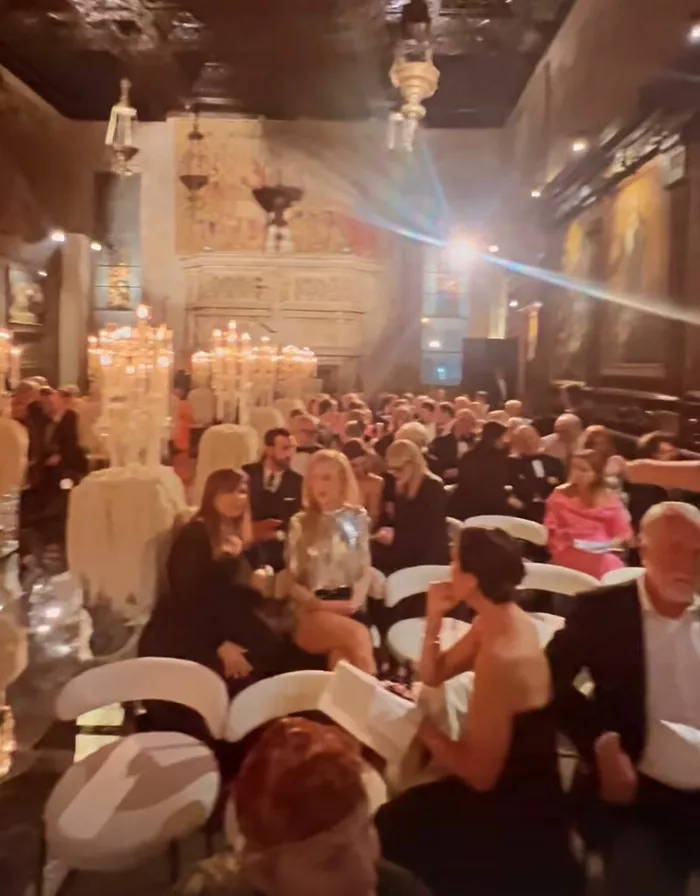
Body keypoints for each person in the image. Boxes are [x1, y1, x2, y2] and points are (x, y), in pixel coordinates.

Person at [376, 528, 580, 896]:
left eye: (455, 562)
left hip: (514, 805)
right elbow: (434, 674)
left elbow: (480, 776)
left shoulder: (502, 656)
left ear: (471, 579)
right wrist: (434, 618)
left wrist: (421, 725)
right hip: (502, 775)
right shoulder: (496, 617)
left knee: (392, 824)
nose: (449, 569)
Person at [547, 502, 700, 896]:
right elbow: (549, 681)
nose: (688, 563)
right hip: (645, 800)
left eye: (698, 552)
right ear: (643, 550)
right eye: (674, 549)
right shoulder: (602, 611)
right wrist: (599, 742)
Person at [178, 717, 432, 896]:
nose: (368, 875)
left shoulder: (400, 889)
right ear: (264, 876)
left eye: (366, 830)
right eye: (331, 861)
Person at [139, 468, 293, 698]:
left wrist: (263, 575)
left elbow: (257, 569)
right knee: (241, 675)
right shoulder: (195, 535)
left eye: (242, 492)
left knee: (278, 653)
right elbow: (187, 597)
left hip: (230, 618)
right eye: (228, 491)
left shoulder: (239, 533)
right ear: (212, 494)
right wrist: (220, 645)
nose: (236, 498)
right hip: (192, 628)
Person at [286, 450, 376, 674]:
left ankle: (356, 695)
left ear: (342, 481)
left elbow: (364, 568)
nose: (320, 485)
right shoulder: (300, 522)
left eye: (327, 478)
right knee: (358, 635)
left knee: (342, 662)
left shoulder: (356, 518)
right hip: (312, 609)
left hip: (349, 604)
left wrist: (354, 603)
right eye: (315, 478)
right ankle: (380, 692)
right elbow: (292, 583)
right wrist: (324, 606)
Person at [544, 449, 632, 579]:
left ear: (596, 474)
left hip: (602, 551)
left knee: (611, 565)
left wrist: (612, 543)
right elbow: (551, 528)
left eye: (584, 470)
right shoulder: (560, 496)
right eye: (574, 468)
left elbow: (623, 533)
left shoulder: (609, 498)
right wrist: (566, 539)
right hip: (568, 549)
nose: (577, 474)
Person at [372, 439, 449, 575]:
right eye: (391, 469)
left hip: (425, 553)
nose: (394, 474)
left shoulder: (433, 487)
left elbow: (431, 534)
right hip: (406, 546)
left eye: (399, 469)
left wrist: (396, 537)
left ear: (413, 464)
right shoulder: (402, 485)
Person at [244, 428, 303, 573]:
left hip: (280, 552)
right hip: (246, 545)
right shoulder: (246, 474)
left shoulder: (298, 482)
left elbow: (298, 519)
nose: (290, 454)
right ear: (269, 450)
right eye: (285, 448)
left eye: (293, 449)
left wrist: (277, 535)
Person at [448, 420, 510, 521]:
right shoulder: (497, 458)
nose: (505, 441)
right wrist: (507, 497)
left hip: (461, 505)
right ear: (496, 438)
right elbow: (492, 486)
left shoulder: (468, 455)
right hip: (484, 508)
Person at [508, 424, 564, 523]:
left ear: (538, 439)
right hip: (521, 514)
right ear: (515, 444)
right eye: (523, 440)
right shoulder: (509, 464)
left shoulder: (554, 462)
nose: (528, 443)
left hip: (551, 511)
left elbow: (564, 487)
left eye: (531, 438)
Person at [427, 408, 477, 484]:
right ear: (459, 422)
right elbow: (432, 462)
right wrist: (443, 472)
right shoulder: (440, 442)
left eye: (473, 424)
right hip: (447, 483)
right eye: (470, 423)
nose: (471, 427)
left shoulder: (476, 443)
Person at [342, 439, 384, 529]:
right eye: (354, 465)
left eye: (363, 463)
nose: (360, 469)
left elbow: (373, 516)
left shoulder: (375, 483)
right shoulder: (338, 481)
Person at [583, 424, 626, 489]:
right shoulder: (579, 461)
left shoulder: (616, 461)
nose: (594, 447)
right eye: (590, 442)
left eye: (600, 443)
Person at [290, 413, 322, 477]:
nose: (313, 436)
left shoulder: (322, 455)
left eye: (314, 432)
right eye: (308, 432)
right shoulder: (286, 453)